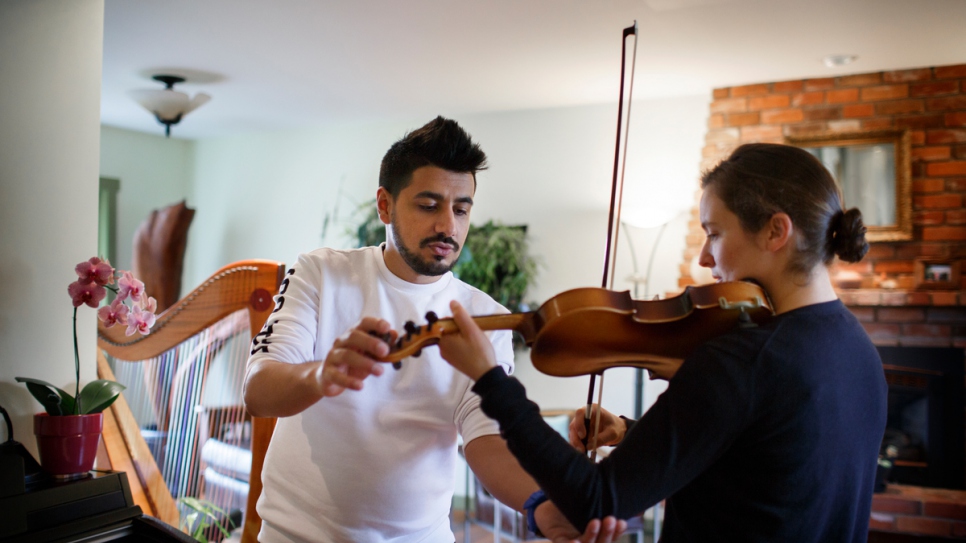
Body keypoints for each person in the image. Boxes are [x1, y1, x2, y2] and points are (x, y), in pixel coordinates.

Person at [437, 143, 889, 542]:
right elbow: (765, 457)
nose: (705, 257)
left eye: (715, 232)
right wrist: (635, 435)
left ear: (776, 231)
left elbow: (595, 501)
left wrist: (490, 379)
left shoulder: (740, 361)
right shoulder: (858, 350)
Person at [243, 116, 621, 543]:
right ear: (385, 205)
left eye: (461, 209)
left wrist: (539, 507)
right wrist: (322, 373)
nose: (448, 226)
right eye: (429, 206)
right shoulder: (320, 272)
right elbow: (259, 390)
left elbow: (486, 442)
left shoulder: (486, 317)